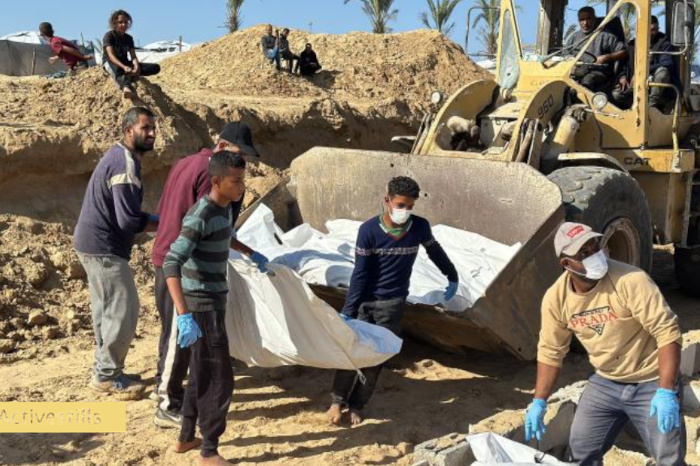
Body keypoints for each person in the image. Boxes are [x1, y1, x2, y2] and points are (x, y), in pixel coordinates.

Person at [524, 222, 685, 465]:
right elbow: (550, 351)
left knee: (668, 458)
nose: (595, 255)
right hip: (606, 382)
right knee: (581, 452)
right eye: (584, 253)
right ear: (566, 263)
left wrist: (666, 391)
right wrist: (539, 401)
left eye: (595, 247)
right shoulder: (556, 299)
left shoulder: (630, 280)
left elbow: (667, 332)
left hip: (652, 380)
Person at [152, 122, 269, 429]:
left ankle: (168, 391)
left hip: (168, 257)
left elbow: (174, 213)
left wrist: (249, 252)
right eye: (239, 154)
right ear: (222, 146)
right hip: (183, 269)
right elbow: (206, 223)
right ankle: (167, 402)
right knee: (178, 336)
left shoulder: (185, 163)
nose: (242, 162)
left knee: (174, 335)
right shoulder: (211, 176)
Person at [328, 176, 460, 426]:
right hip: (365, 300)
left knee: (377, 357)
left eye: (410, 206)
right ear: (386, 200)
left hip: (392, 304)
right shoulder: (368, 230)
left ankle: (357, 404)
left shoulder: (419, 227)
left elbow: (434, 251)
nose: (405, 211)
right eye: (401, 205)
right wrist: (349, 309)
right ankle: (336, 401)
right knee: (351, 351)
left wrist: (451, 275)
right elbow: (360, 273)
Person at [164, 151, 247, 465]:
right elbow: (171, 262)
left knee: (200, 373)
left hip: (213, 303)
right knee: (218, 380)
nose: (241, 186)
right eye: (235, 181)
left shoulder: (224, 210)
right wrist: (184, 314)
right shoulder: (201, 214)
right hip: (202, 307)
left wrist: (252, 253)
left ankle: (186, 437)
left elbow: (225, 237)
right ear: (216, 181)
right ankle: (209, 451)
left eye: (242, 180)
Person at [74, 107, 159, 398]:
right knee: (124, 309)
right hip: (103, 247)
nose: (152, 133)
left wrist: (154, 220)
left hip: (92, 243)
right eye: (145, 128)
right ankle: (107, 376)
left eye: (153, 128)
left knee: (107, 310)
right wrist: (164, 224)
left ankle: (106, 370)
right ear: (128, 131)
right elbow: (128, 221)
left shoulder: (119, 156)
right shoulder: (125, 165)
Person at [613, 16, 679, 110]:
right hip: (635, 87)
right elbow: (623, 64)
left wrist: (641, 72)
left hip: (654, 86)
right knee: (615, 95)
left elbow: (667, 63)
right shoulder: (631, 45)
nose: (651, 33)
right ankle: (631, 109)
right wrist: (622, 77)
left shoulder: (664, 44)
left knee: (662, 71)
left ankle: (650, 107)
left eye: (654, 30)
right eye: (648, 30)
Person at [566, 7, 627, 93]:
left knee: (588, 80)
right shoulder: (573, 38)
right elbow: (564, 55)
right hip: (578, 71)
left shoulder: (605, 35)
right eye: (582, 20)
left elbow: (623, 52)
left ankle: (585, 100)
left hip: (599, 72)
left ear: (594, 18)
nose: (585, 23)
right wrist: (569, 59)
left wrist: (606, 57)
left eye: (588, 19)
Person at [103, 10, 161, 99]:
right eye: (120, 22)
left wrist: (136, 66)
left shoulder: (129, 38)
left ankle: (130, 75)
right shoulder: (109, 36)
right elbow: (111, 55)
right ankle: (126, 88)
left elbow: (133, 56)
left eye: (125, 22)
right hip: (111, 62)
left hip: (125, 64)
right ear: (114, 23)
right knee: (116, 69)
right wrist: (124, 67)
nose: (123, 25)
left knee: (155, 67)